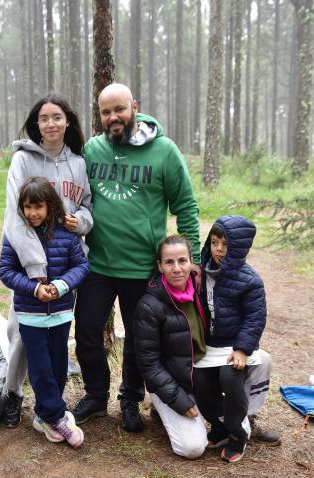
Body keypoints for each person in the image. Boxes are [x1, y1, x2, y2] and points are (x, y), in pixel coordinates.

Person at [71, 83, 200, 433]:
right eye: (105, 112)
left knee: (140, 340)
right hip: (97, 264)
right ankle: (96, 395)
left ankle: (130, 397)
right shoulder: (93, 151)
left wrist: (194, 259)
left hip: (143, 267)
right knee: (85, 331)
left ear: (135, 107)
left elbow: (185, 206)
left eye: (119, 110)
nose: (113, 118)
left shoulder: (164, 152)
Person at [1, 93, 93, 428]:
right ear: (36, 124)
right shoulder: (23, 160)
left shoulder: (79, 163)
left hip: (63, 263)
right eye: (43, 118)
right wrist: (35, 272)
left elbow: (87, 208)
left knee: (55, 338)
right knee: (21, 335)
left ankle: (50, 403)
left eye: (56, 117)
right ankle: (11, 394)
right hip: (28, 264)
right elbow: (14, 214)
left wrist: (79, 222)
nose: (50, 123)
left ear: (67, 121)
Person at [0, 176, 90, 448]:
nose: (32, 213)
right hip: (30, 315)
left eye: (37, 206)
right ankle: (58, 417)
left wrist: (62, 285)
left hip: (61, 313)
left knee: (59, 364)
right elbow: (6, 271)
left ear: (50, 205)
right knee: (40, 369)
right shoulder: (15, 234)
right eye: (27, 207)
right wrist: (33, 289)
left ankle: (44, 415)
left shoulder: (66, 234)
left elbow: (81, 266)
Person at [193, 214, 270, 463]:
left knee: (229, 378)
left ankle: (238, 434)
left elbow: (255, 318)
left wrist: (242, 349)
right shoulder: (204, 273)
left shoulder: (250, 281)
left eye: (225, 244)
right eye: (214, 243)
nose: (219, 250)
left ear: (239, 247)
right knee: (201, 382)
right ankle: (219, 425)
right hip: (211, 345)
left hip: (235, 347)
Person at [133, 235, 208, 459]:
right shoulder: (149, 306)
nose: (177, 268)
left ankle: (245, 415)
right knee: (192, 448)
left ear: (191, 262)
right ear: (160, 266)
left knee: (261, 360)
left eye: (182, 261)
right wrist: (179, 401)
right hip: (173, 383)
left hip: (204, 375)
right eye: (169, 262)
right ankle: (164, 406)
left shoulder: (204, 291)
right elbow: (149, 365)